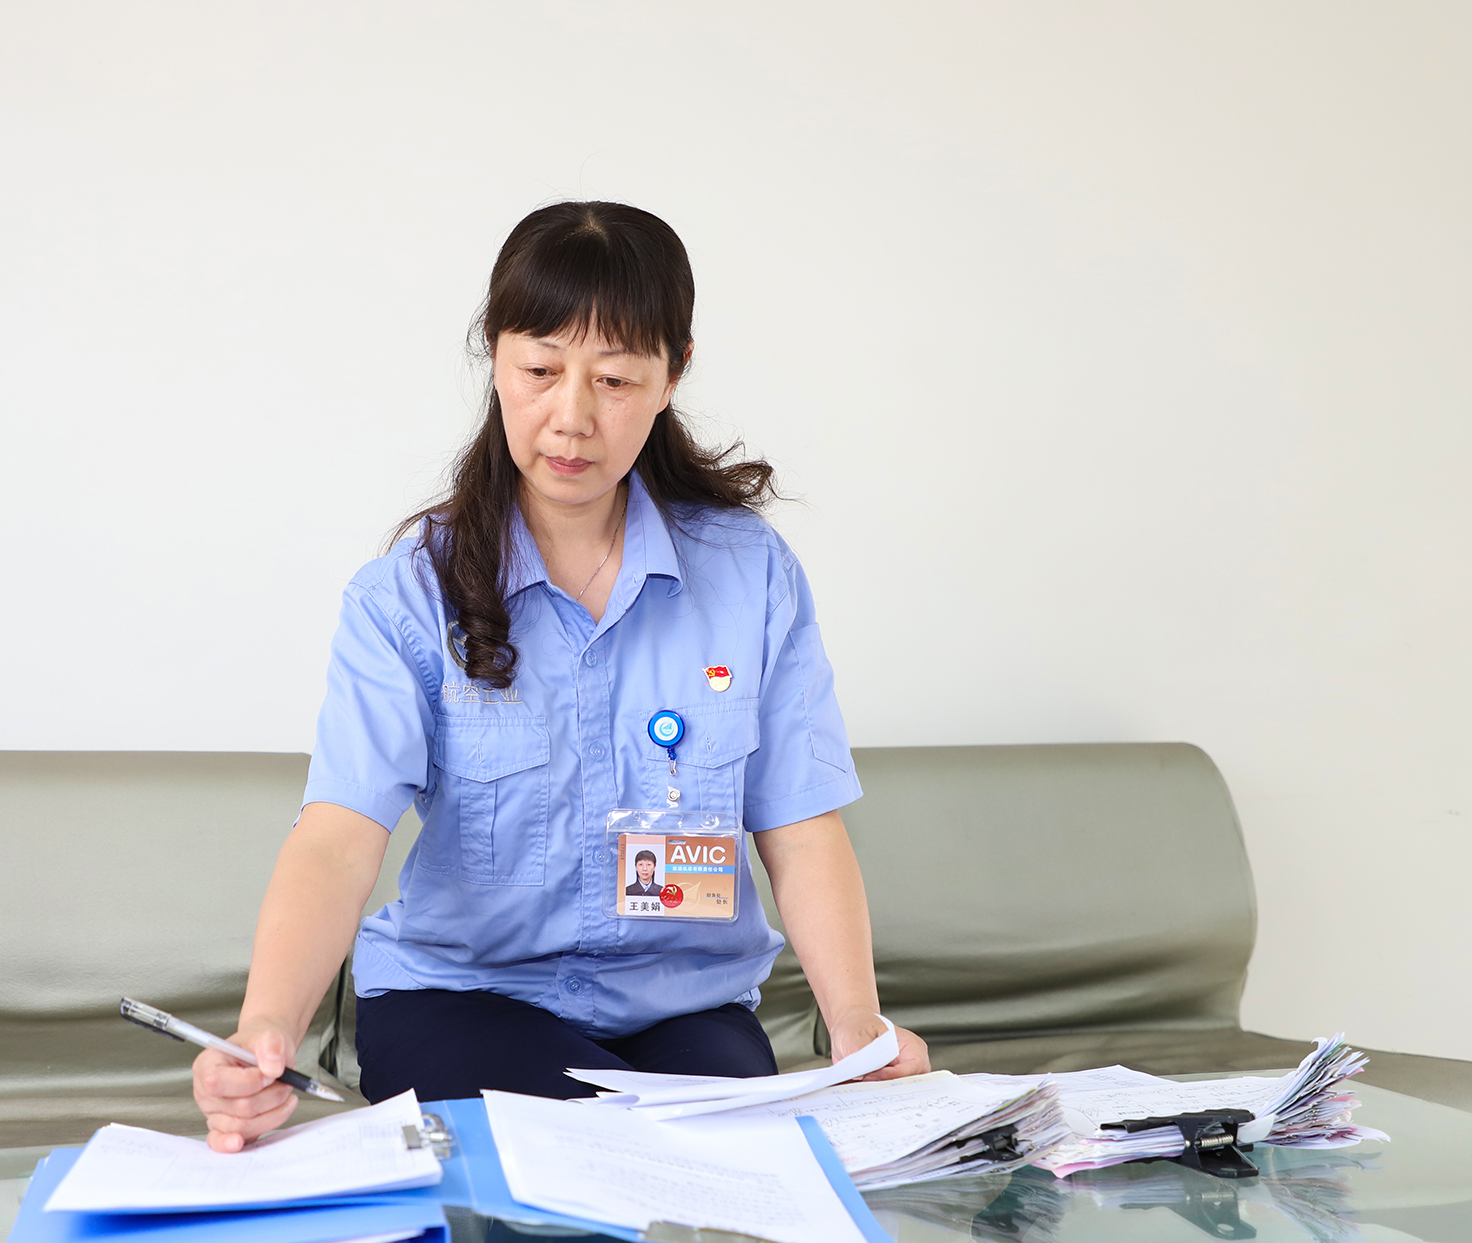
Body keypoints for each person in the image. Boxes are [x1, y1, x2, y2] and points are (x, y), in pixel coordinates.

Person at [194, 201, 929, 1151]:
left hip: (683, 1007)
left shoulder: (750, 576)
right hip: (464, 999)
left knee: (739, 1176)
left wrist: (859, 1029)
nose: (571, 417)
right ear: (495, 358)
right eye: (540, 370)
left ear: (673, 374)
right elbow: (338, 838)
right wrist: (264, 1031)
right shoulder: (406, 593)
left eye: (615, 379)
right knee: (577, 1162)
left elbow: (799, 823)